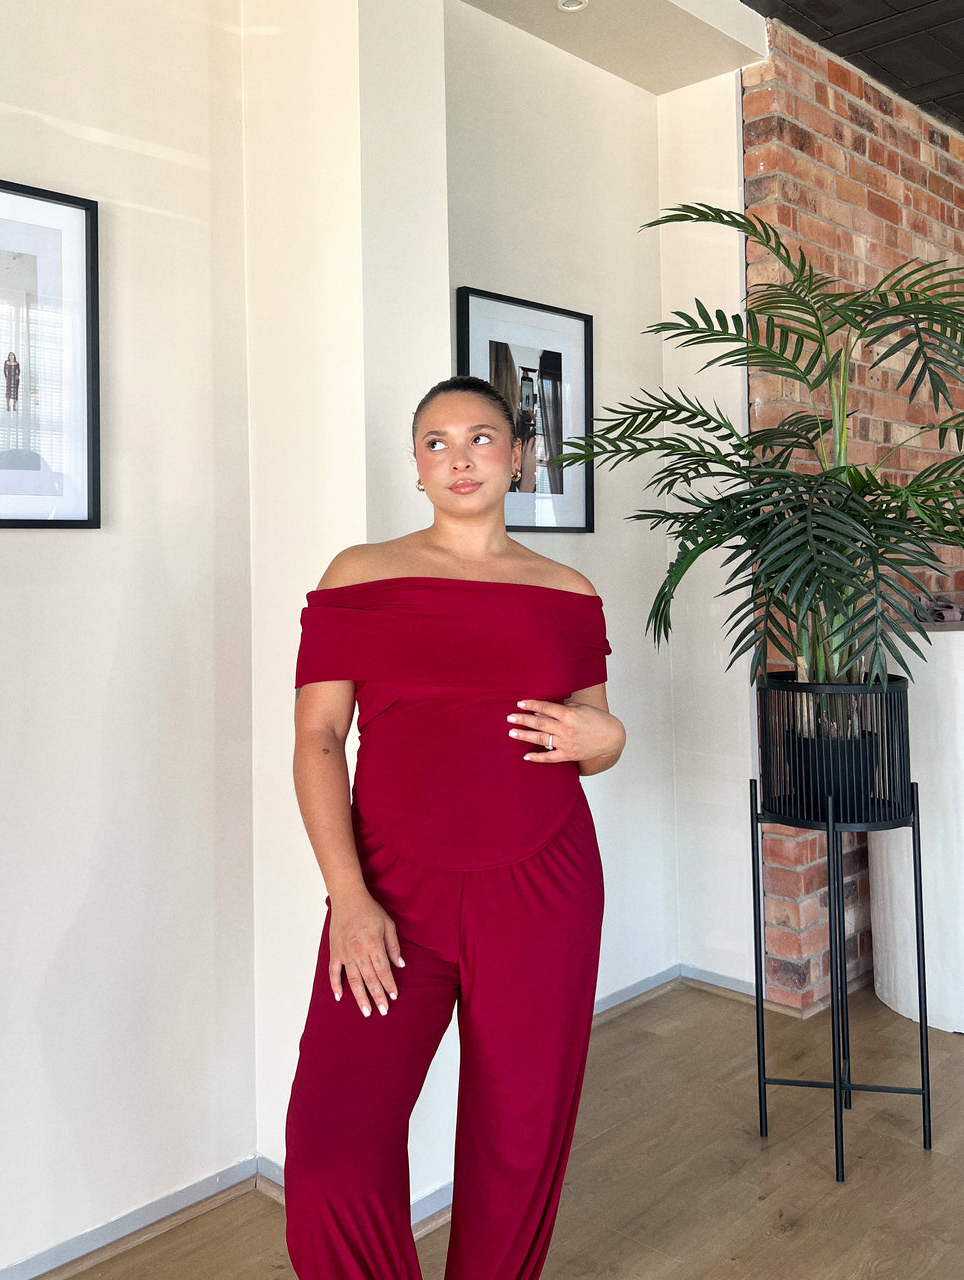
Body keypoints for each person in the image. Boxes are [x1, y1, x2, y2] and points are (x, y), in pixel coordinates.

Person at [284, 375, 625, 1280]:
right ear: (416, 466)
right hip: (389, 891)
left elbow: (589, 733)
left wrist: (611, 738)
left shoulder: (567, 591)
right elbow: (319, 740)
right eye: (436, 442)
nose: (460, 457)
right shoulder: (359, 576)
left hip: (544, 887)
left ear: (517, 457)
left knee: (518, 1146)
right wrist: (349, 898)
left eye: (481, 437)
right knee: (330, 1149)